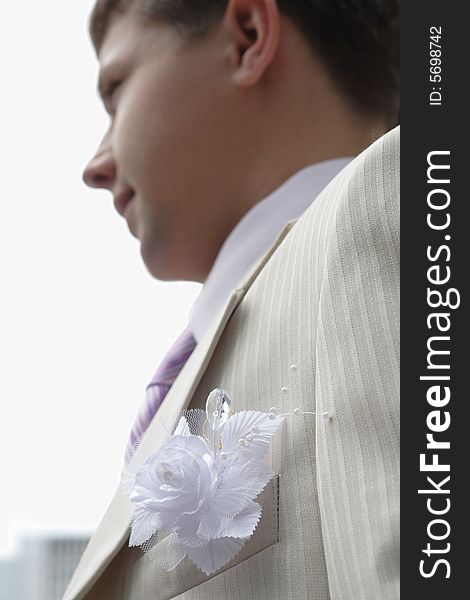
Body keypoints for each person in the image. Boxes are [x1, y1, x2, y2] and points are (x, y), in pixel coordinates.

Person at [64, 0, 399, 598]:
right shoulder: (220, 339)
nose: (95, 164)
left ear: (247, 35)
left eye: (115, 91)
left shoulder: (384, 223)